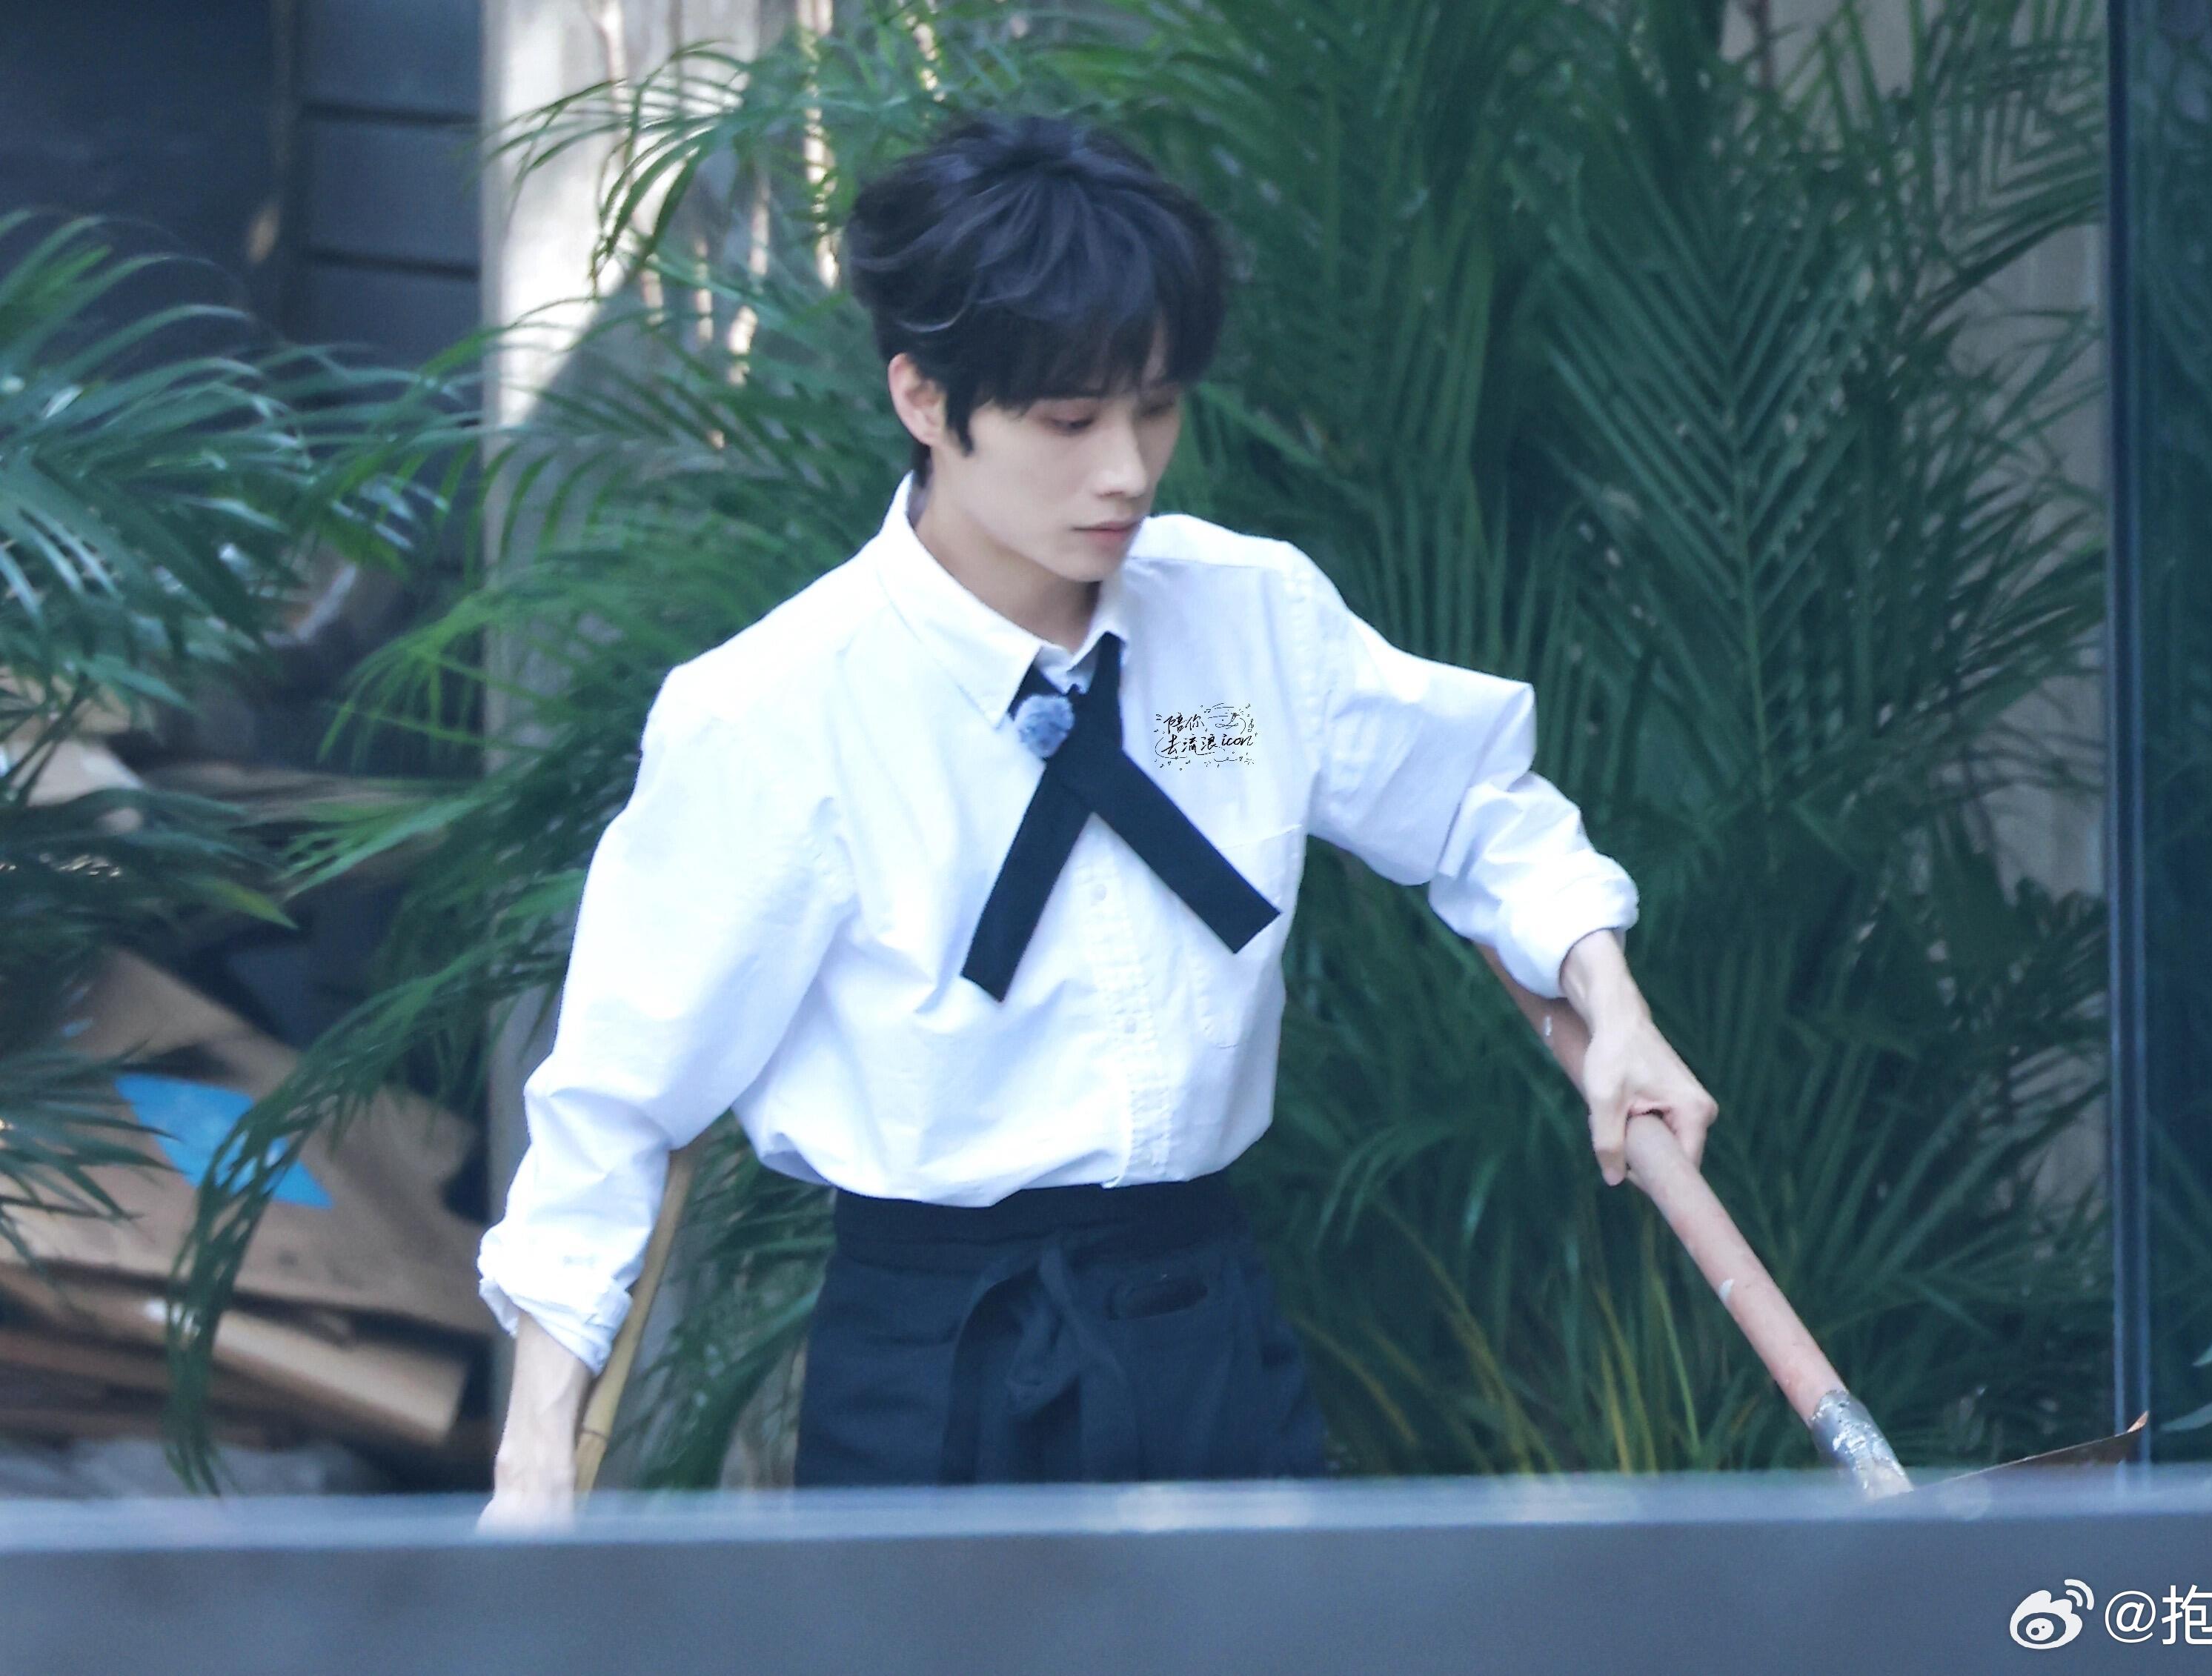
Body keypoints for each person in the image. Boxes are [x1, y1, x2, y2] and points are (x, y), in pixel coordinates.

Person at [476, 112, 1717, 1526]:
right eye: (1069, 422)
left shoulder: (1242, 636)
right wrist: (534, 1459)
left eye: (1157, 407)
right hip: (933, 1367)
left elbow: (1476, 809)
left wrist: (1613, 1002)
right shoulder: (778, 714)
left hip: (1208, 1334)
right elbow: (622, 1101)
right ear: (924, 398)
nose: (1127, 468)